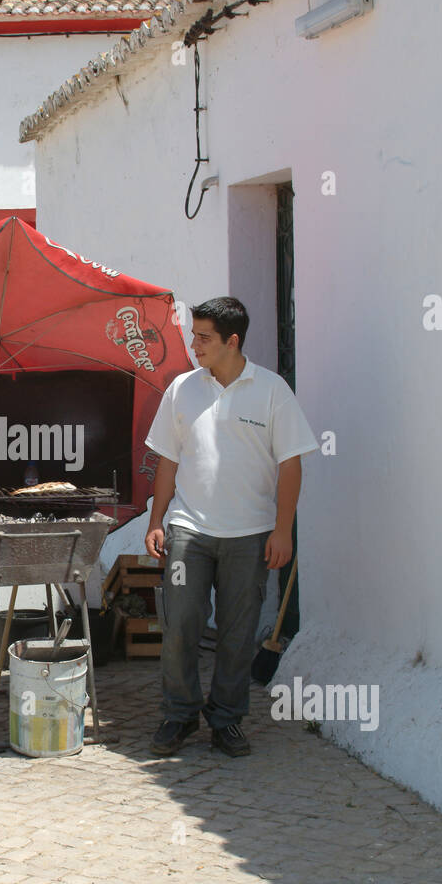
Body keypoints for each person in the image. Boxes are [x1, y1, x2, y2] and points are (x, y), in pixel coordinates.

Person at [144, 297, 318, 757]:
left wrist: (283, 531)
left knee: (238, 632)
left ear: (232, 341)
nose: (193, 344)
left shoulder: (272, 390)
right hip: (189, 531)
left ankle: (225, 720)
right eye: (193, 335)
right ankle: (178, 715)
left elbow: (291, 464)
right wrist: (157, 520)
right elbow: (167, 460)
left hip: (251, 534)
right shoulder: (181, 389)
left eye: (203, 338)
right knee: (181, 621)